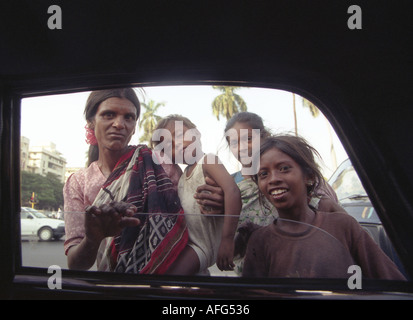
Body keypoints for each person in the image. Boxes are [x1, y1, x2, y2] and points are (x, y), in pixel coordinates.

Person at [242, 135, 406, 280]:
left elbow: (392, 283)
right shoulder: (260, 241)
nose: (273, 179)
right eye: (263, 174)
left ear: (309, 177)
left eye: (284, 168)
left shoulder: (343, 226)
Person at [63, 88, 188, 273]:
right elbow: (75, 264)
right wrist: (92, 239)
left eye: (128, 117)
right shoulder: (78, 182)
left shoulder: (159, 164)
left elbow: (191, 222)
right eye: (108, 115)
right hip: (114, 285)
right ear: (91, 122)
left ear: (134, 126)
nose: (119, 124)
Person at [224, 111, 343, 274]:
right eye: (234, 143)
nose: (242, 147)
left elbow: (336, 219)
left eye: (249, 139)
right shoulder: (228, 187)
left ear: (264, 136)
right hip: (254, 276)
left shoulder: (301, 179)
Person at [151, 114, 242, 274]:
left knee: (170, 279)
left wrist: (228, 240)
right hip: (186, 242)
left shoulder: (208, 161)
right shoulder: (181, 178)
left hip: (202, 246)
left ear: (196, 133)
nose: (178, 144)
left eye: (179, 135)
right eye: (169, 145)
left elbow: (232, 191)